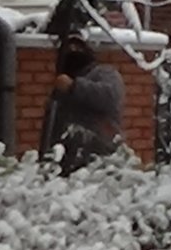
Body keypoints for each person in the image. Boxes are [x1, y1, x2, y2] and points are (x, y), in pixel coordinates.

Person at [49, 36, 125, 173]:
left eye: (77, 48)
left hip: (100, 153)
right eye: (68, 50)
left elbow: (110, 96)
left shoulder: (103, 72)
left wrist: (74, 86)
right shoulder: (62, 84)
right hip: (68, 157)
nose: (73, 52)